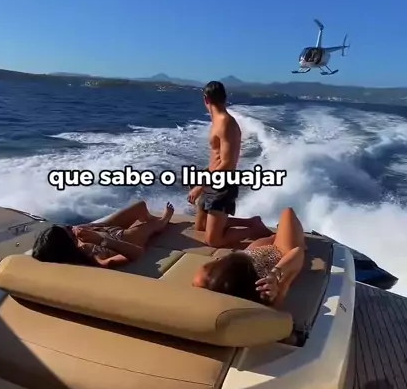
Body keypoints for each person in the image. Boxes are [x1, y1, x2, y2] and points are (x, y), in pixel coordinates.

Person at [187, 81, 272, 248]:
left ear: (206, 99)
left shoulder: (226, 123)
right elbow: (217, 158)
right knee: (201, 226)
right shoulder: (216, 121)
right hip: (211, 178)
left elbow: (227, 163)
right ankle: (250, 222)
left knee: (213, 241)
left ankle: (252, 230)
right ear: (225, 99)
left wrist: (199, 187)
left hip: (222, 185)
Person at [192, 207, 305, 309]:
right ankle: (290, 235)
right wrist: (277, 275)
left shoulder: (230, 276)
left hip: (249, 256)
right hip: (279, 251)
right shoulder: (265, 291)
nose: (217, 260)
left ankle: (277, 233)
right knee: (287, 213)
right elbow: (298, 252)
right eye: (210, 270)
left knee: (276, 235)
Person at [32, 200, 174, 269]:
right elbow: (137, 252)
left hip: (104, 230)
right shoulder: (95, 260)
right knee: (147, 228)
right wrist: (102, 240)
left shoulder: (77, 247)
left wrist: (91, 228)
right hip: (124, 239)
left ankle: (149, 218)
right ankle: (161, 223)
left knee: (140, 206)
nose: (71, 229)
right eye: (69, 231)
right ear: (67, 245)